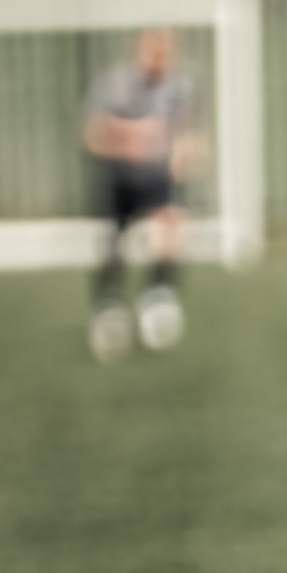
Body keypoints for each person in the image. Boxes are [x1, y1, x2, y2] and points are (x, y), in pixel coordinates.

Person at [81, 27, 205, 363]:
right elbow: (93, 133)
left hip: (157, 178)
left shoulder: (180, 87)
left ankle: (158, 301)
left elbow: (188, 131)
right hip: (119, 176)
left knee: (171, 229)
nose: (160, 60)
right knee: (114, 244)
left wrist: (185, 153)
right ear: (139, 50)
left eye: (167, 53)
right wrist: (129, 136)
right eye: (155, 51)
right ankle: (108, 306)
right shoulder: (115, 84)